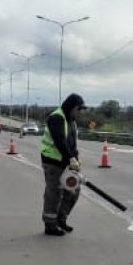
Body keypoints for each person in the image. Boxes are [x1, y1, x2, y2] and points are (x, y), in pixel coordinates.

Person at [39, 93, 86, 236]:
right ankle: (50, 225)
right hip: (52, 162)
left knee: (73, 190)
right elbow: (60, 141)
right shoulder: (56, 118)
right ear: (72, 107)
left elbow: (72, 143)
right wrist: (71, 158)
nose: (80, 113)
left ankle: (61, 219)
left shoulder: (71, 121)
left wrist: (76, 159)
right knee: (54, 193)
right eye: (79, 110)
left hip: (66, 162)